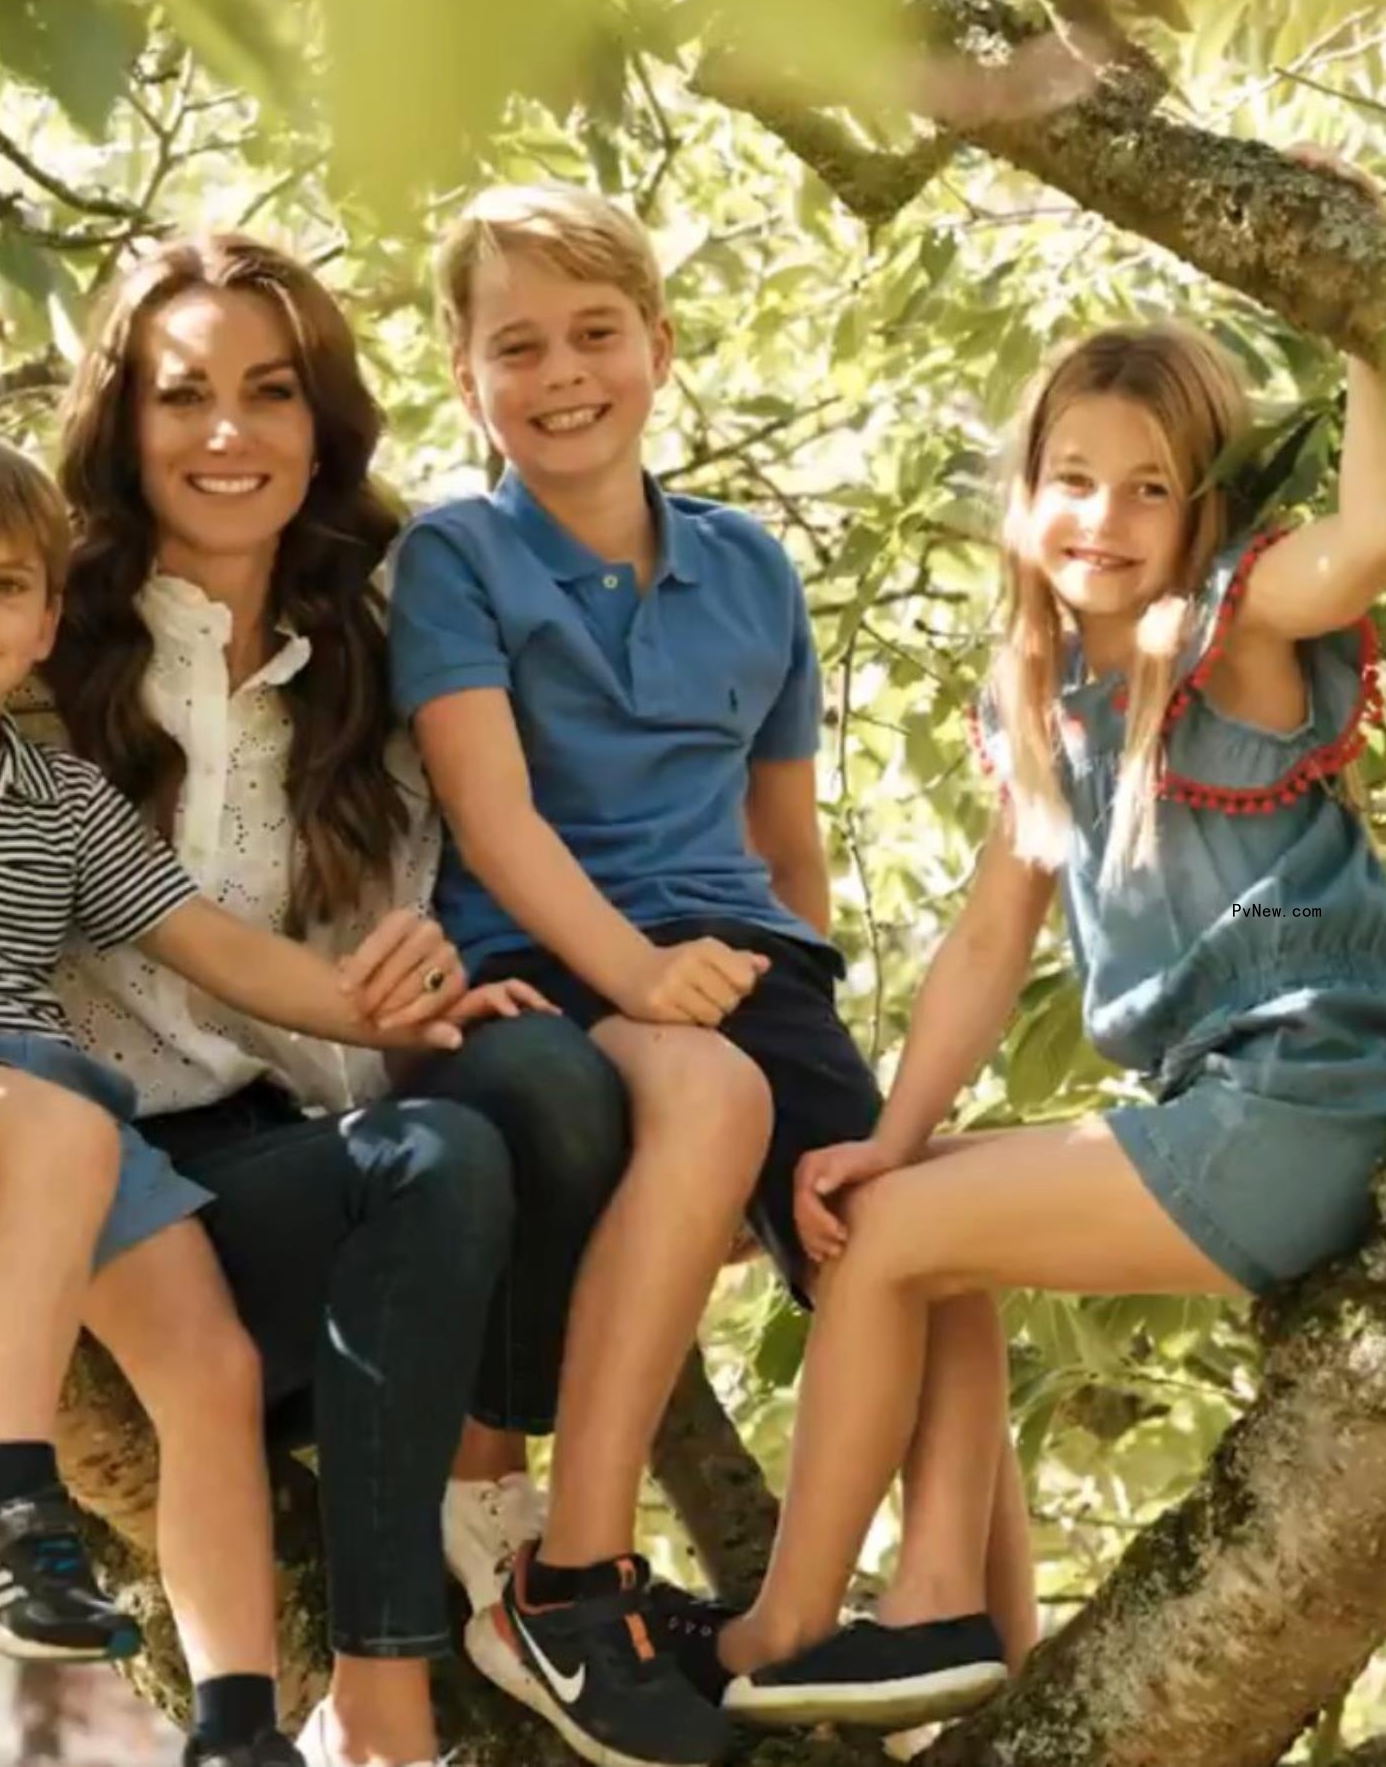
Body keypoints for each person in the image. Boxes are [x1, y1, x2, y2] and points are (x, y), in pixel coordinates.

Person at [0, 427, 546, 1767]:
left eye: (6, 585)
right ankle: (2, 1502)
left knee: (215, 1370)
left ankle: (236, 1721)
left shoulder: (64, 801)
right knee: (69, 1125)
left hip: (48, 1104)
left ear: (48, 620)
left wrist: (392, 1008)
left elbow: (223, 952)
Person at [699, 304, 1386, 1732]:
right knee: (912, 1208)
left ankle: (789, 1620)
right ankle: (963, 1635)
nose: (1105, 515)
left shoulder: (1225, 631)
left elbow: (1376, 544)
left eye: (1149, 485)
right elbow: (985, 942)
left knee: (899, 1240)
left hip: (1296, 1111)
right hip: (1214, 1113)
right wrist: (889, 1138)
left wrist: (1369, 329)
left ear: (1204, 504)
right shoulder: (1047, 689)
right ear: (1026, 497)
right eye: (1074, 479)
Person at [388, 186, 1023, 1767]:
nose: (562, 373)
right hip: (549, 953)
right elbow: (493, 813)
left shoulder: (753, 570)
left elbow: (782, 843)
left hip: (747, 962)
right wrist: (641, 975)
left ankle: (957, 1611)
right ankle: (572, 1575)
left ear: (659, 350)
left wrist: (822, 1052)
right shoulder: (456, 560)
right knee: (715, 1089)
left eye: (596, 334)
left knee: (917, 1217)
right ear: (468, 380)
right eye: (516, 346)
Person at [36, 233, 633, 1767]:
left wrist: (425, 979)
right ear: (125, 424)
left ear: (323, 423)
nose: (229, 433)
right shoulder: (44, 641)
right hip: (144, 1196)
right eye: (185, 397)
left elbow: (431, 909)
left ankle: (489, 1509)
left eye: (270, 392)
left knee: (531, 1090)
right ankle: (381, 1703)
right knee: (430, 1164)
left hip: (342, 1180)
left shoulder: (378, 638)